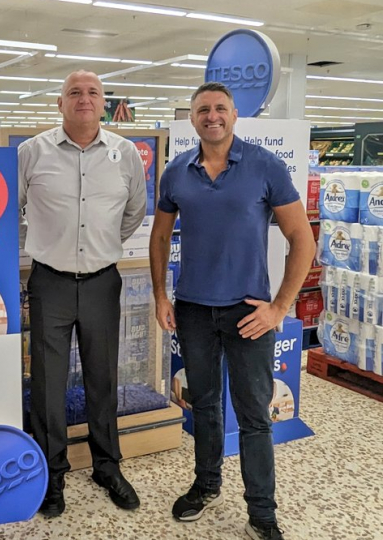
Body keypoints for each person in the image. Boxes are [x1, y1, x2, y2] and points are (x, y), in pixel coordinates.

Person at [149, 81, 315, 540]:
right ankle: (206, 485)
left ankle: (262, 511)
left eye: (220, 108)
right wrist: (163, 296)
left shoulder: (264, 165)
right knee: (202, 405)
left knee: (254, 416)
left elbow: (303, 238)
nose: (212, 116)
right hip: (194, 311)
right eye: (203, 109)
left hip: (249, 313)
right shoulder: (177, 172)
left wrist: (280, 306)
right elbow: (160, 237)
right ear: (192, 117)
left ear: (235, 114)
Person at [18, 69, 147, 517]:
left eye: (93, 92)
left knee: (102, 379)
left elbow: (135, 211)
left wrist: (103, 245)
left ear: (104, 104)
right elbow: (11, 209)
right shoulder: (30, 152)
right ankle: (50, 476)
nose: (85, 99)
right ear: (60, 103)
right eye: (75, 92)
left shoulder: (125, 153)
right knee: (49, 384)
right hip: (50, 280)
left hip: (101, 281)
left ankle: (107, 466)